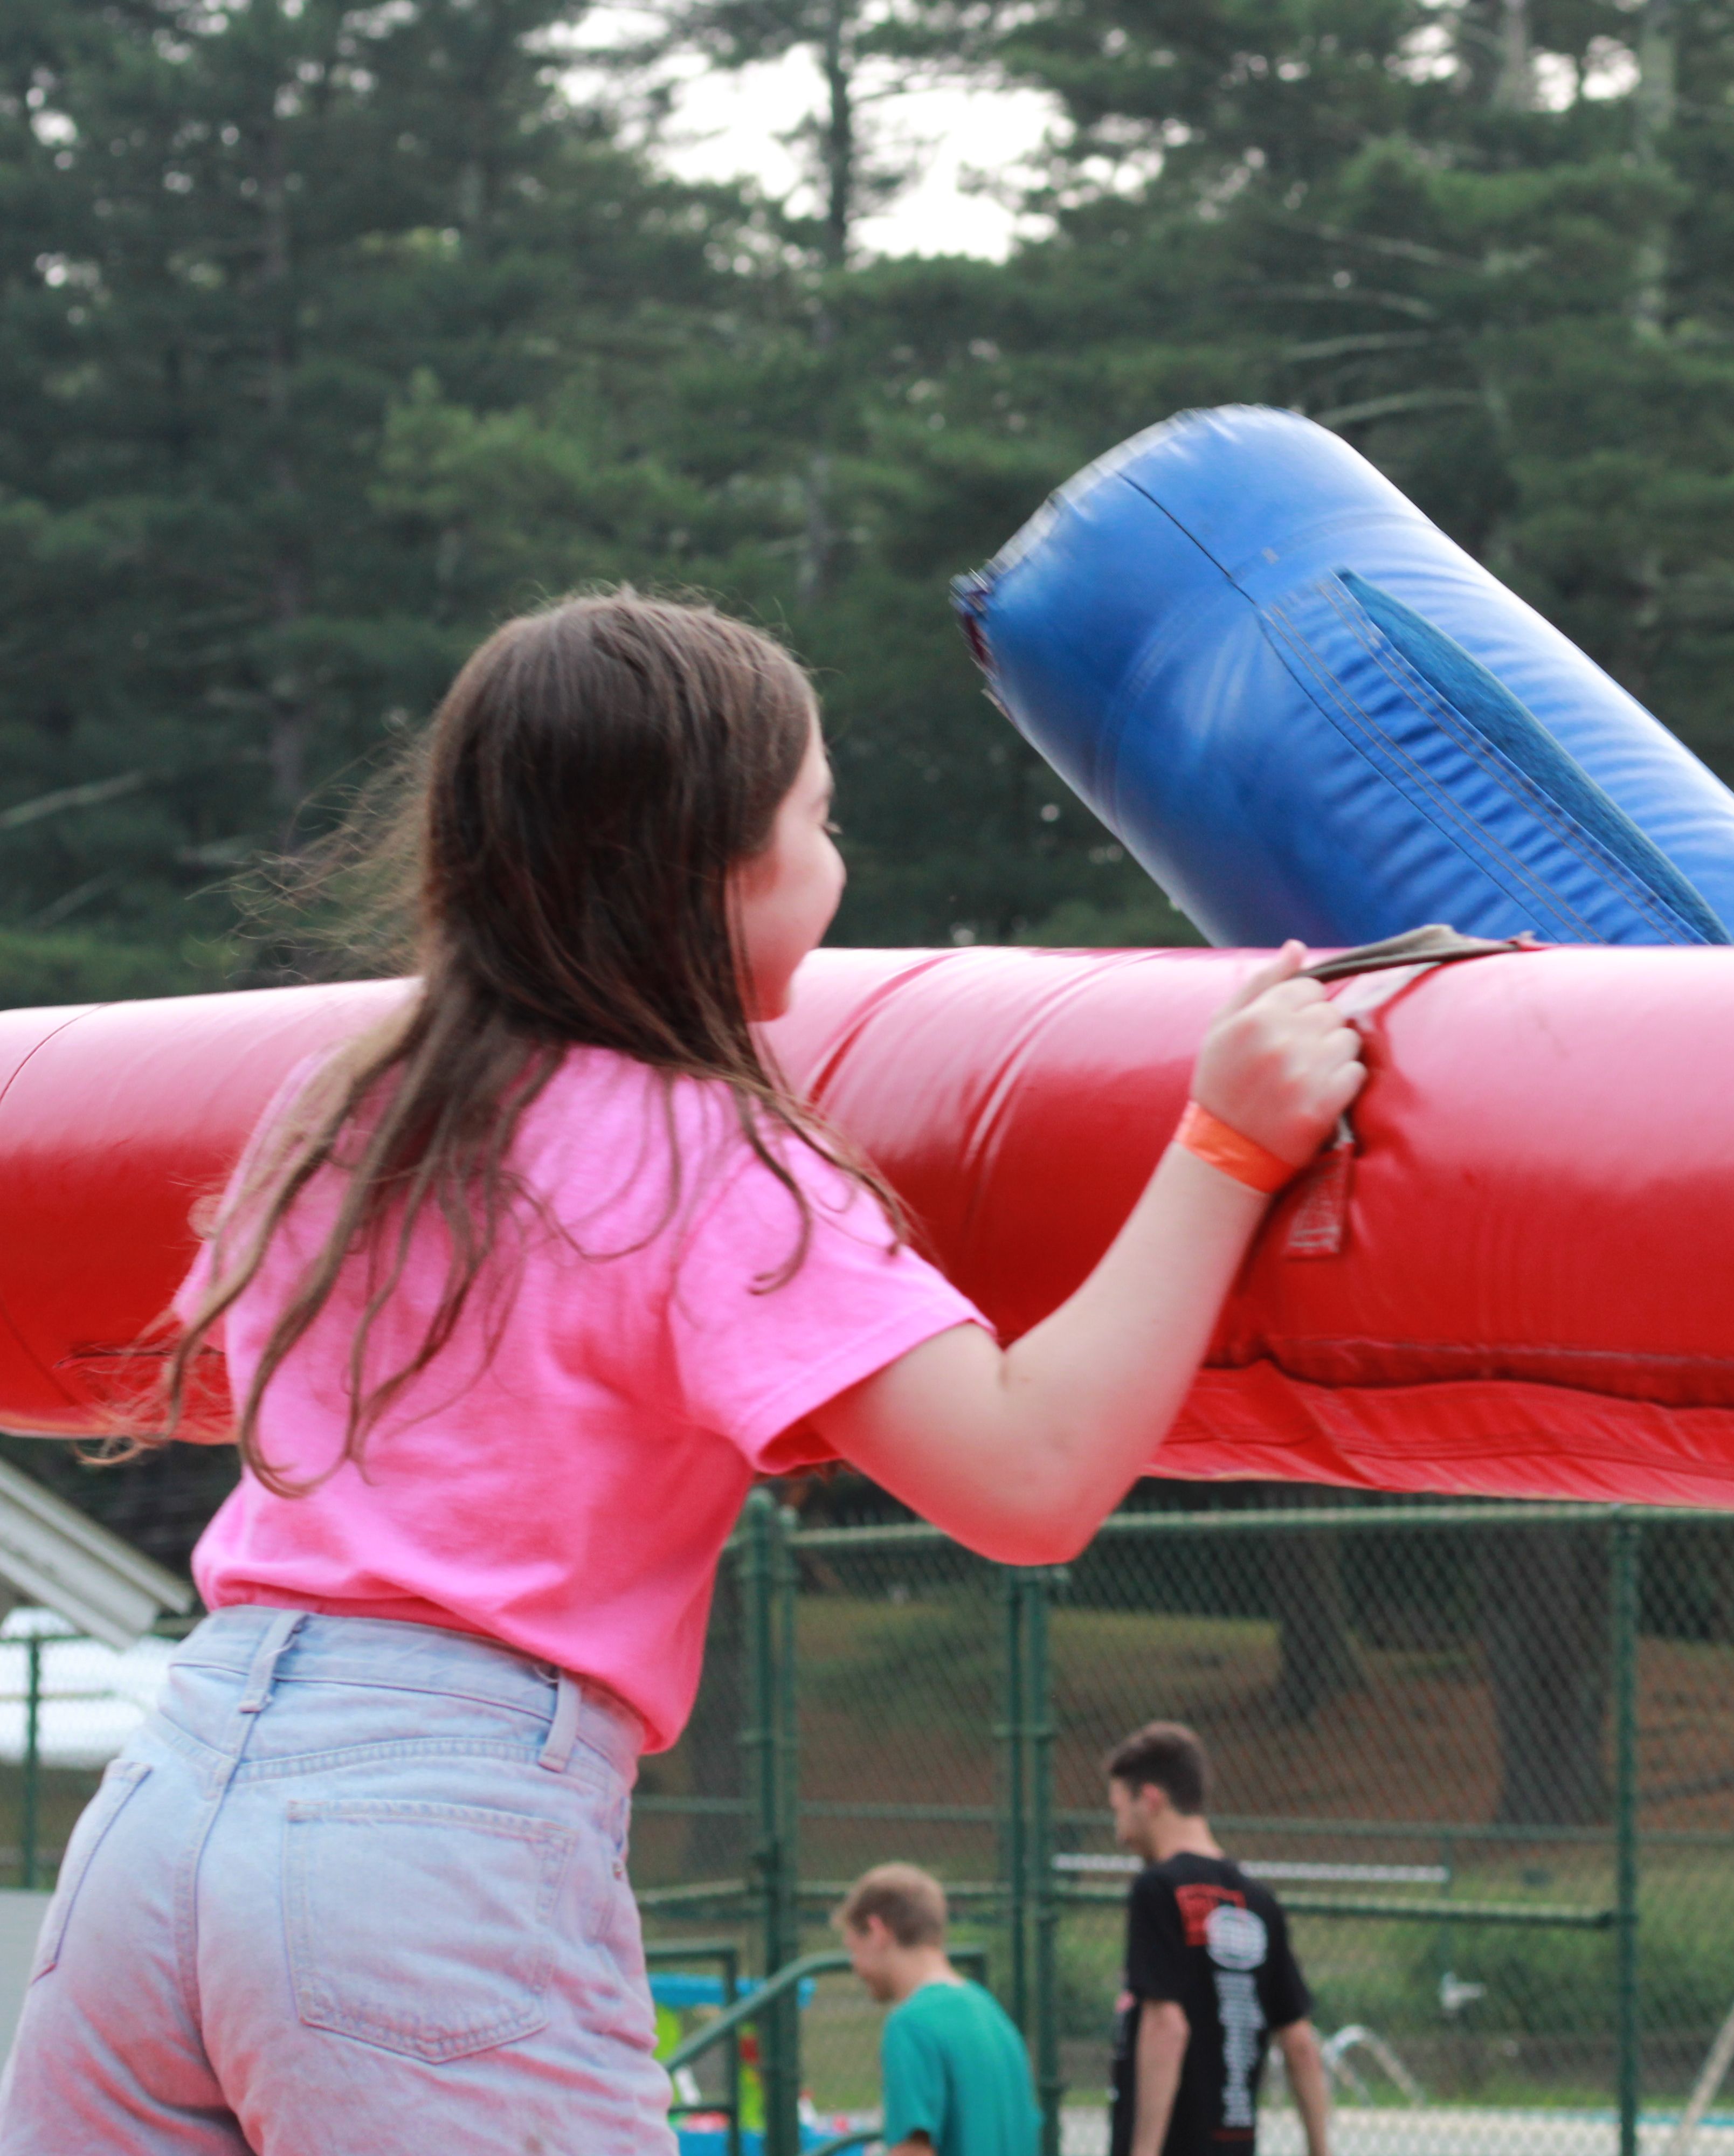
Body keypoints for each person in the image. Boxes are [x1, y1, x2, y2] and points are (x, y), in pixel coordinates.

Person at [0, 592, 1367, 2152]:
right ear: (720, 867)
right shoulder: (709, 1153)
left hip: (168, 1803)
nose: (841, 863)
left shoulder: (344, 1109)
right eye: (820, 818)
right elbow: (1030, 1476)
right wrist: (1226, 1146)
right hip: (424, 1840)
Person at [1104, 1722, 1334, 2156]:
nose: (1120, 1832)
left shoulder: (1157, 1889)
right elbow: (1301, 2045)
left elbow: (1166, 2026)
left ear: (1150, 1799)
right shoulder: (1258, 1901)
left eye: (1119, 1809)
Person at [834, 1864, 1041, 2156]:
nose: (855, 1966)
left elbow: (913, 2150)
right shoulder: (993, 2016)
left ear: (878, 1931)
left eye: (854, 1949)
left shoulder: (911, 2025)